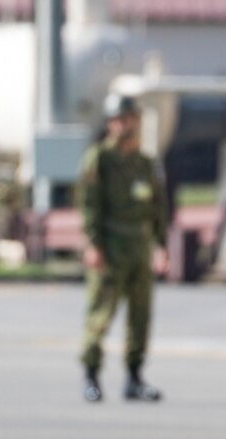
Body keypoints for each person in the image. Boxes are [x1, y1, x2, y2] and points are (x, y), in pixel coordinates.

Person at [77, 93, 170, 402]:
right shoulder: (100, 159)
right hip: (111, 244)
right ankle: (91, 374)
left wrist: (161, 244)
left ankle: (134, 377)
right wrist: (93, 243)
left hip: (139, 246)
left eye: (129, 119)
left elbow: (158, 207)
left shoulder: (144, 163)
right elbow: (89, 206)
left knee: (140, 315)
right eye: (119, 120)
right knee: (101, 312)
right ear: (110, 123)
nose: (125, 125)